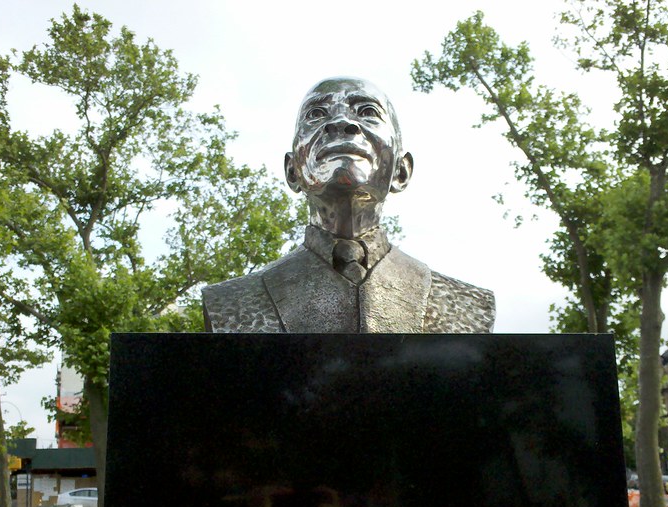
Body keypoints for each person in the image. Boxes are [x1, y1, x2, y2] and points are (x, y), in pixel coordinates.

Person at [202, 77, 495, 333]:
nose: (341, 123)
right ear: (292, 171)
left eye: (367, 112)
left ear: (401, 171)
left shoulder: (466, 306)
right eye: (317, 114)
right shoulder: (230, 304)